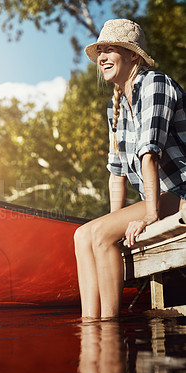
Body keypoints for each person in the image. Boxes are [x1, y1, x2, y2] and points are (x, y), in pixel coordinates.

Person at [74, 19, 186, 320]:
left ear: (133, 55)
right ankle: (90, 323)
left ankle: (109, 326)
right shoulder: (120, 106)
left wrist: (149, 215)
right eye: (100, 51)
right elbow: (117, 175)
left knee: (98, 235)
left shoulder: (155, 85)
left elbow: (149, 153)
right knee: (84, 235)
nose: (102, 57)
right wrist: (113, 224)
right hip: (164, 198)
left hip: (181, 193)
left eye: (111, 50)